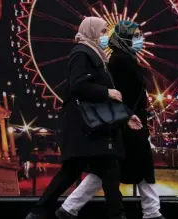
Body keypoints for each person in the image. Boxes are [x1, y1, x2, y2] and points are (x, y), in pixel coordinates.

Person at [25, 17, 142, 219]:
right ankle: (41, 211)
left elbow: (104, 98)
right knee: (76, 170)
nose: (106, 35)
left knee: (107, 171)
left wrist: (127, 116)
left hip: (95, 128)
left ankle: (44, 211)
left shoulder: (97, 57)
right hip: (85, 128)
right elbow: (78, 86)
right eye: (103, 30)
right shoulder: (82, 53)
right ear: (91, 31)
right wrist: (107, 92)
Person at [56, 20, 165, 219]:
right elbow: (119, 93)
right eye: (136, 36)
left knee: (108, 169)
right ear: (125, 38)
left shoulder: (122, 59)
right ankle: (152, 212)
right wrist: (127, 117)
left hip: (127, 121)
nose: (140, 39)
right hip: (128, 123)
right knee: (132, 167)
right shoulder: (120, 61)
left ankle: (69, 208)